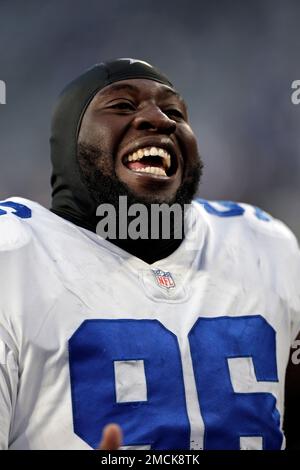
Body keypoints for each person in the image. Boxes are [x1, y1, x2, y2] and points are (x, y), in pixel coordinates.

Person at [0, 58, 299, 450]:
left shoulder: (262, 242)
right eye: (123, 106)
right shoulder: (14, 253)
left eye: (174, 111)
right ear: (69, 143)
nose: (160, 120)